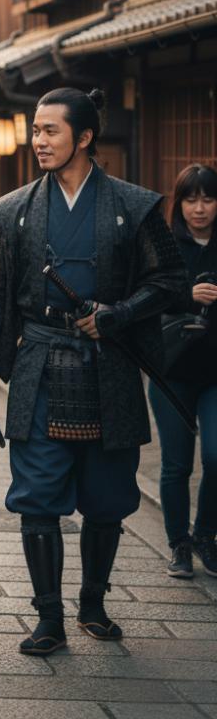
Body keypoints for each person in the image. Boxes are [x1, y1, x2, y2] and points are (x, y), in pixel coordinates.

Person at [0, 88, 185, 656]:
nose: (38, 141)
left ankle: (93, 601)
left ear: (84, 137)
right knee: (37, 495)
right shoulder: (13, 210)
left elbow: (168, 281)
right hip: (39, 357)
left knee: (108, 495)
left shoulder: (134, 207)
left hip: (108, 363)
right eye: (34, 131)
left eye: (50, 131)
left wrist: (117, 315)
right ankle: (47, 618)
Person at [148, 163, 217, 579]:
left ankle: (206, 534)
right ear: (180, 203)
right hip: (171, 371)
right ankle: (178, 543)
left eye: (208, 198)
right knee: (176, 464)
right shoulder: (166, 247)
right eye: (191, 199)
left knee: (215, 456)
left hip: (214, 374)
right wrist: (185, 295)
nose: (199, 208)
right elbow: (145, 298)